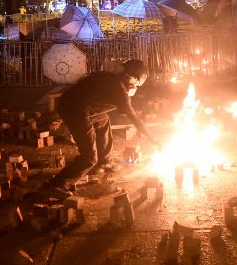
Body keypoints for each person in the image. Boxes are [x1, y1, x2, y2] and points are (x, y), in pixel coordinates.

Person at [49, 59, 158, 189]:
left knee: (103, 120)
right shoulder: (121, 92)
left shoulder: (109, 77)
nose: (136, 88)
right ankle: (58, 184)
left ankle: (104, 162)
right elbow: (135, 118)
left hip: (75, 103)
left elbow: (84, 86)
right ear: (133, 79)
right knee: (89, 157)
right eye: (137, 84)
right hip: (75, 111)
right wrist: (154, 140)